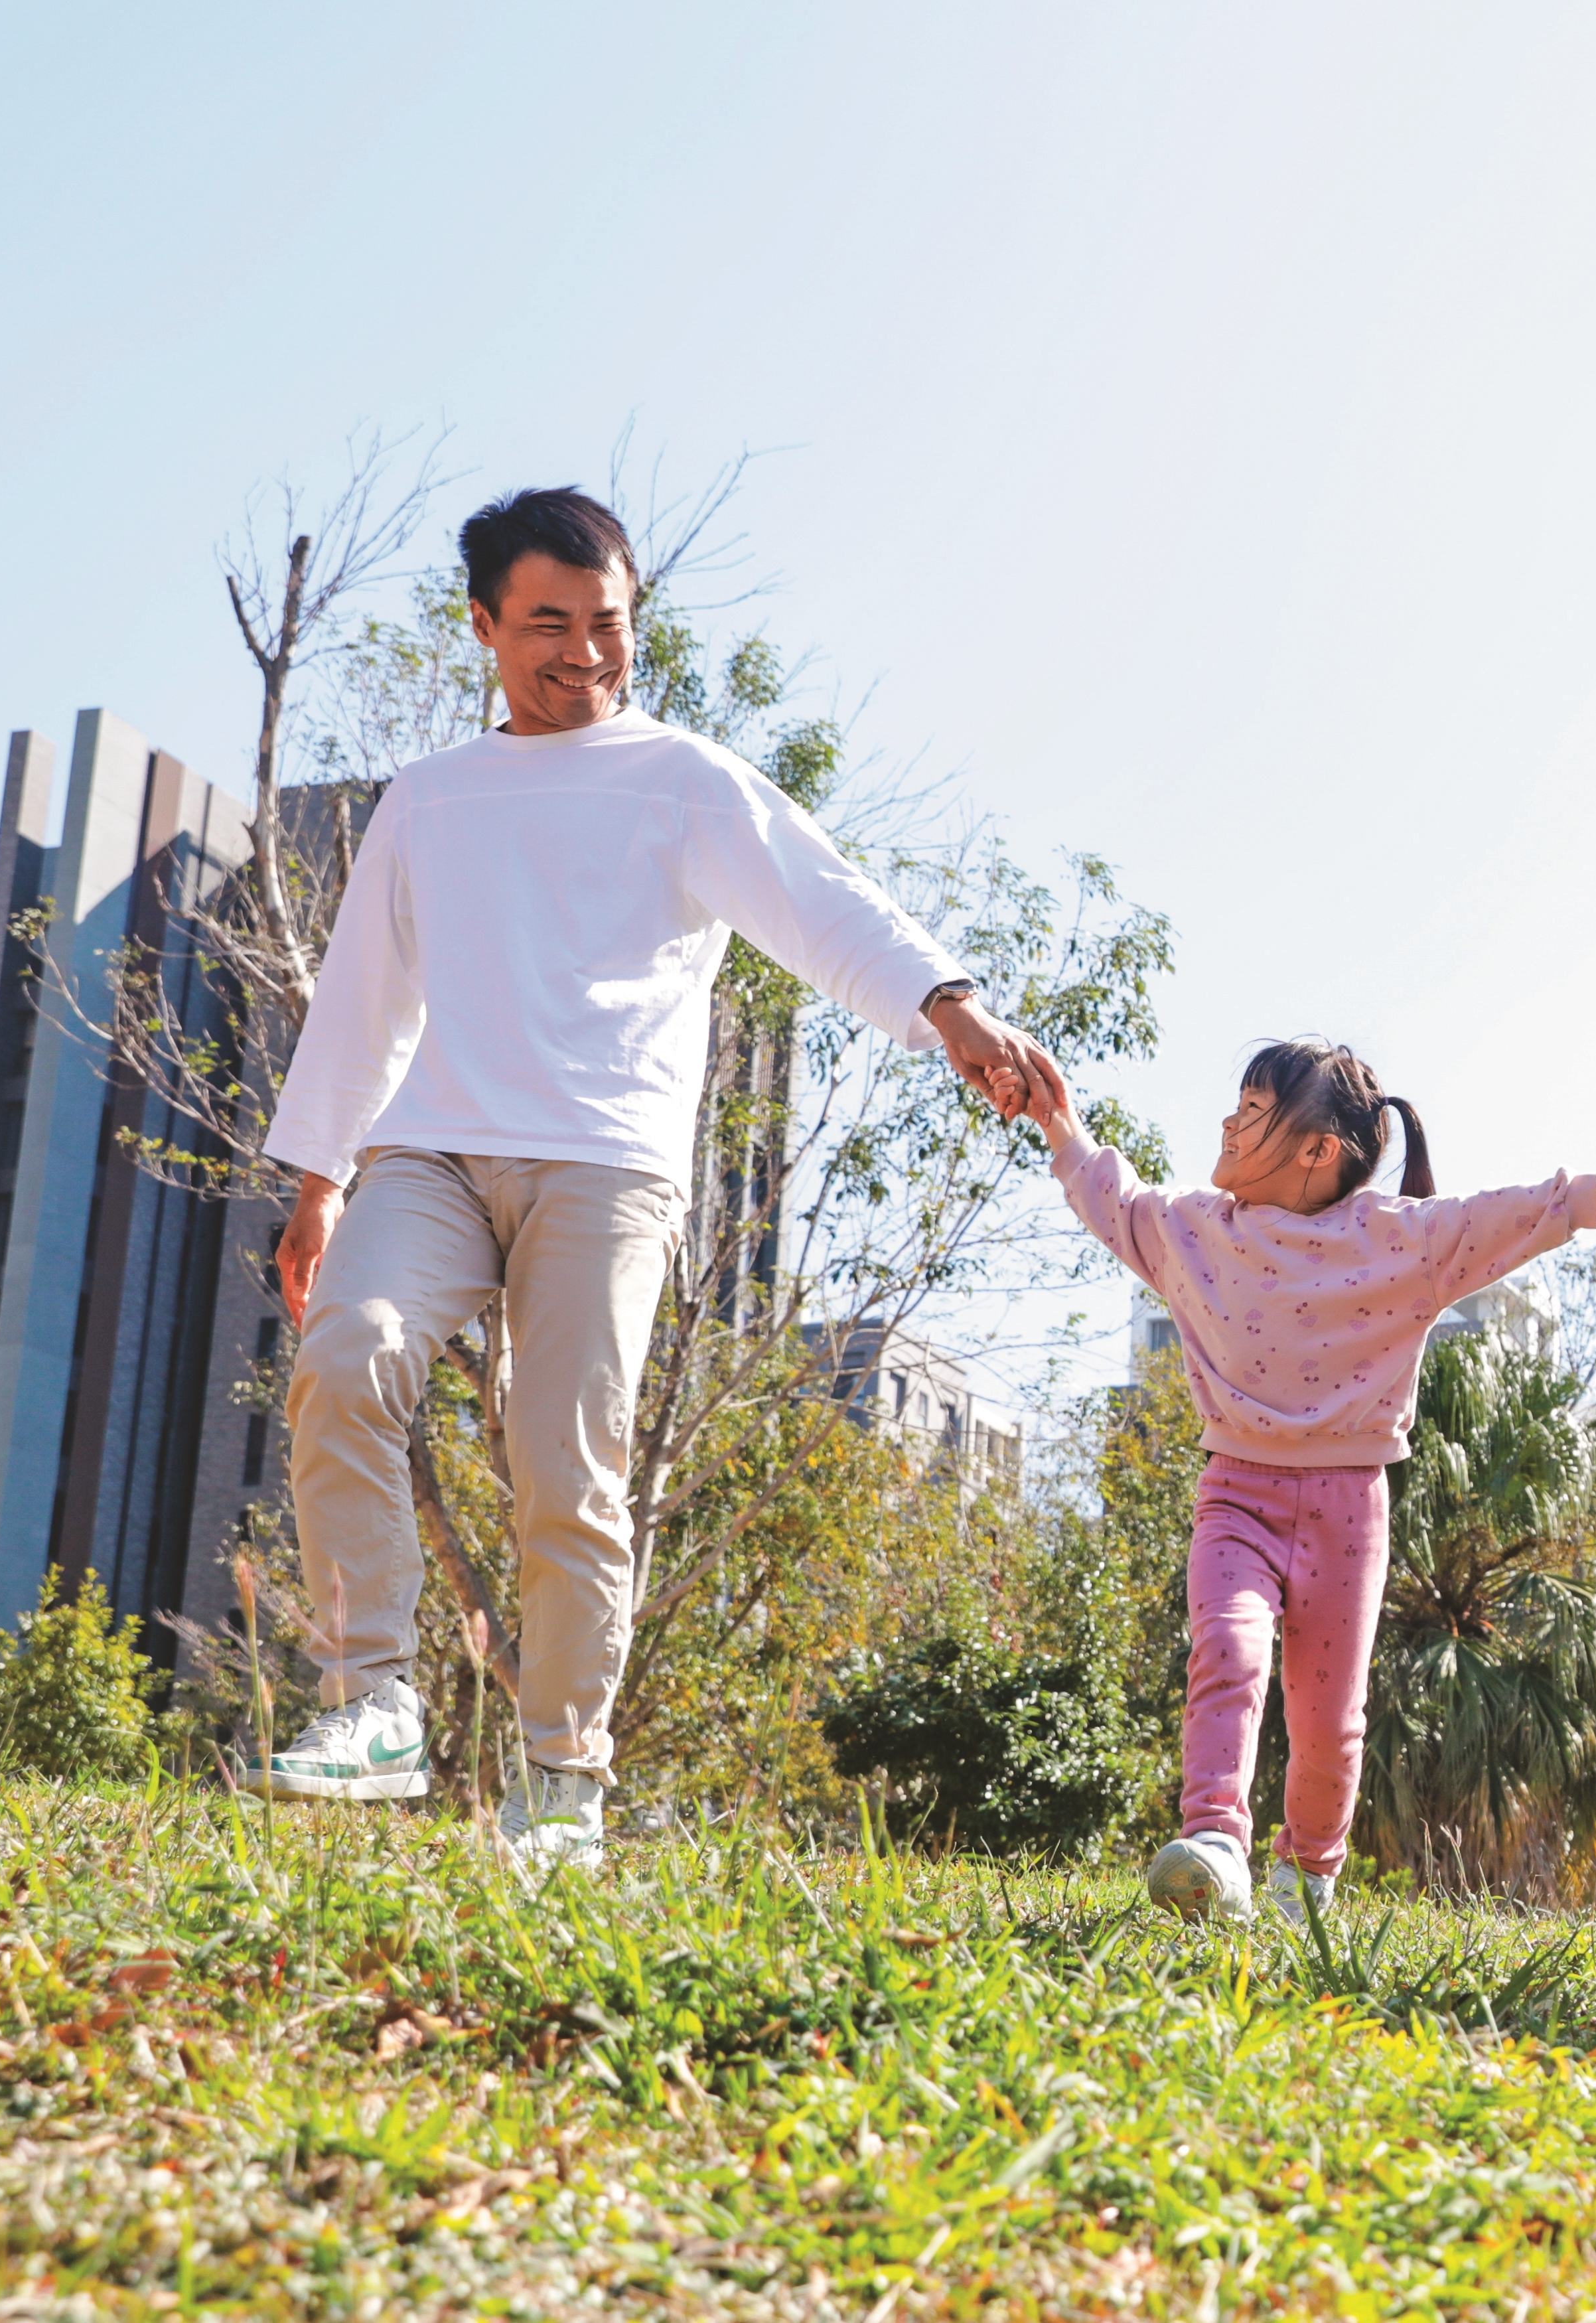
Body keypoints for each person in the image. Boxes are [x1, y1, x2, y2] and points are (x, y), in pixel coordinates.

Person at [255, 487, 1058, 1870]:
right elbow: (365, 994)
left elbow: (822, 902)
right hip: (433, 1147)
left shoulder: (679, 780)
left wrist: (950, 1005)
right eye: (548, 625)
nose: (583, 652)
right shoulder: (429, 800)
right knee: (347, 1353)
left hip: (605, 1159)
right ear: (486, 628)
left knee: (567, 1467)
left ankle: (563, 1783)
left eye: (608, 624)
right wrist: (321, 1172)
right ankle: (371, 1701)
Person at [1035, 1040, 1596, 1926]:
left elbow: (1506, 1217)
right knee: (1225, 1649)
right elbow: (1110, 1195)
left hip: (1349, 1511)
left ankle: (1306, 1879)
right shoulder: (1195, 1230)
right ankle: (1218, 1846)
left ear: (1318, 1150)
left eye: (1254, 1109)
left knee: (1331, 1725)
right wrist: (1056, 1118)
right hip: (1237, 1494)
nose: (1228, 1120)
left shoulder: (1399, 1239)